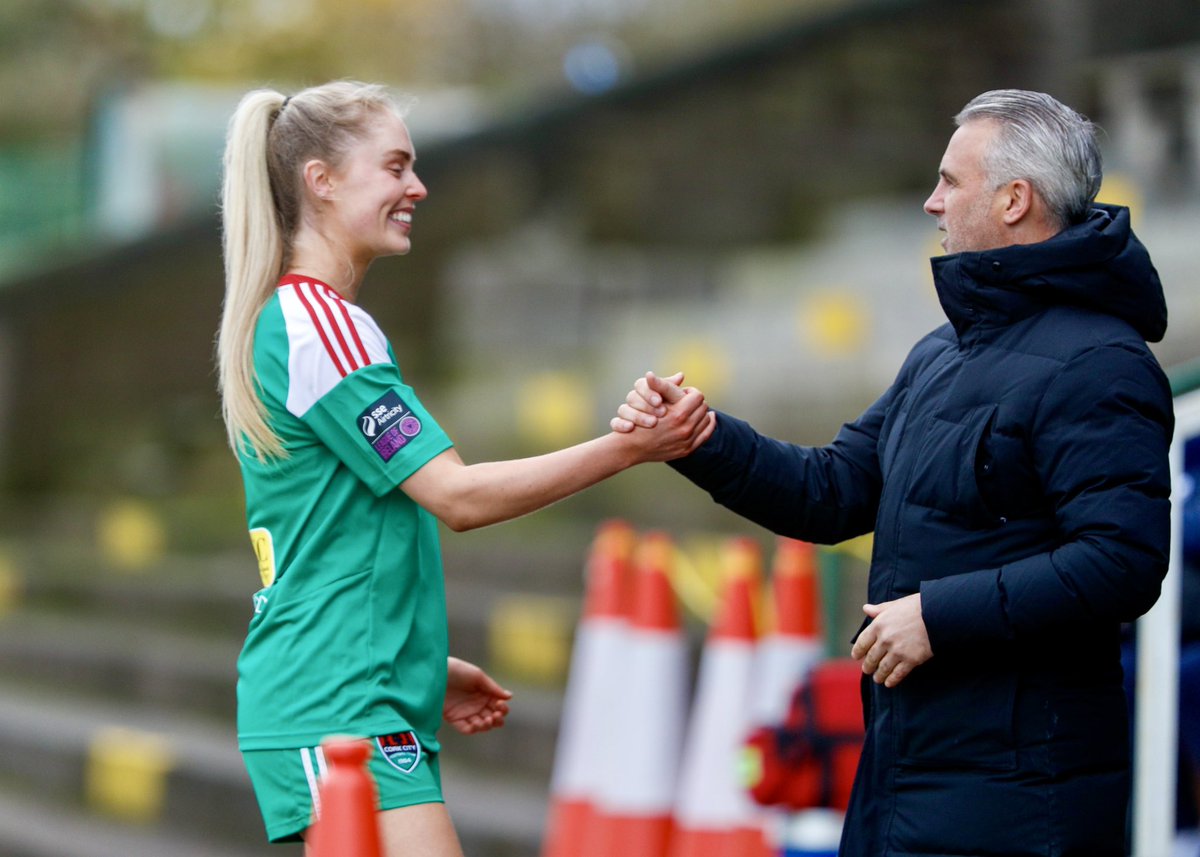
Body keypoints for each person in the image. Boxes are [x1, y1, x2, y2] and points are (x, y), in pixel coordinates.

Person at [614, 89, 1174, 855]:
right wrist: (702, 438)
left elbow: (1123, 562)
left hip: (1022, 803)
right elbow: (833, 491)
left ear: (1014, 200)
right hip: (903, 779)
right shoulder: (940, 353)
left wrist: (937, 616)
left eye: (950, 181)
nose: (931, 201)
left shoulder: (1101, 361)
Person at [215, 80, 715, 855]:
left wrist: (418, 657)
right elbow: (457, 494)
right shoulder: (319, 321)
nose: (417, 186)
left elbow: (329, 530)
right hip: (336, 705)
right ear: (322, 180)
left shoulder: (303, 321)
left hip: (348, 689)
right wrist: (632, 446)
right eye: (395, 167)